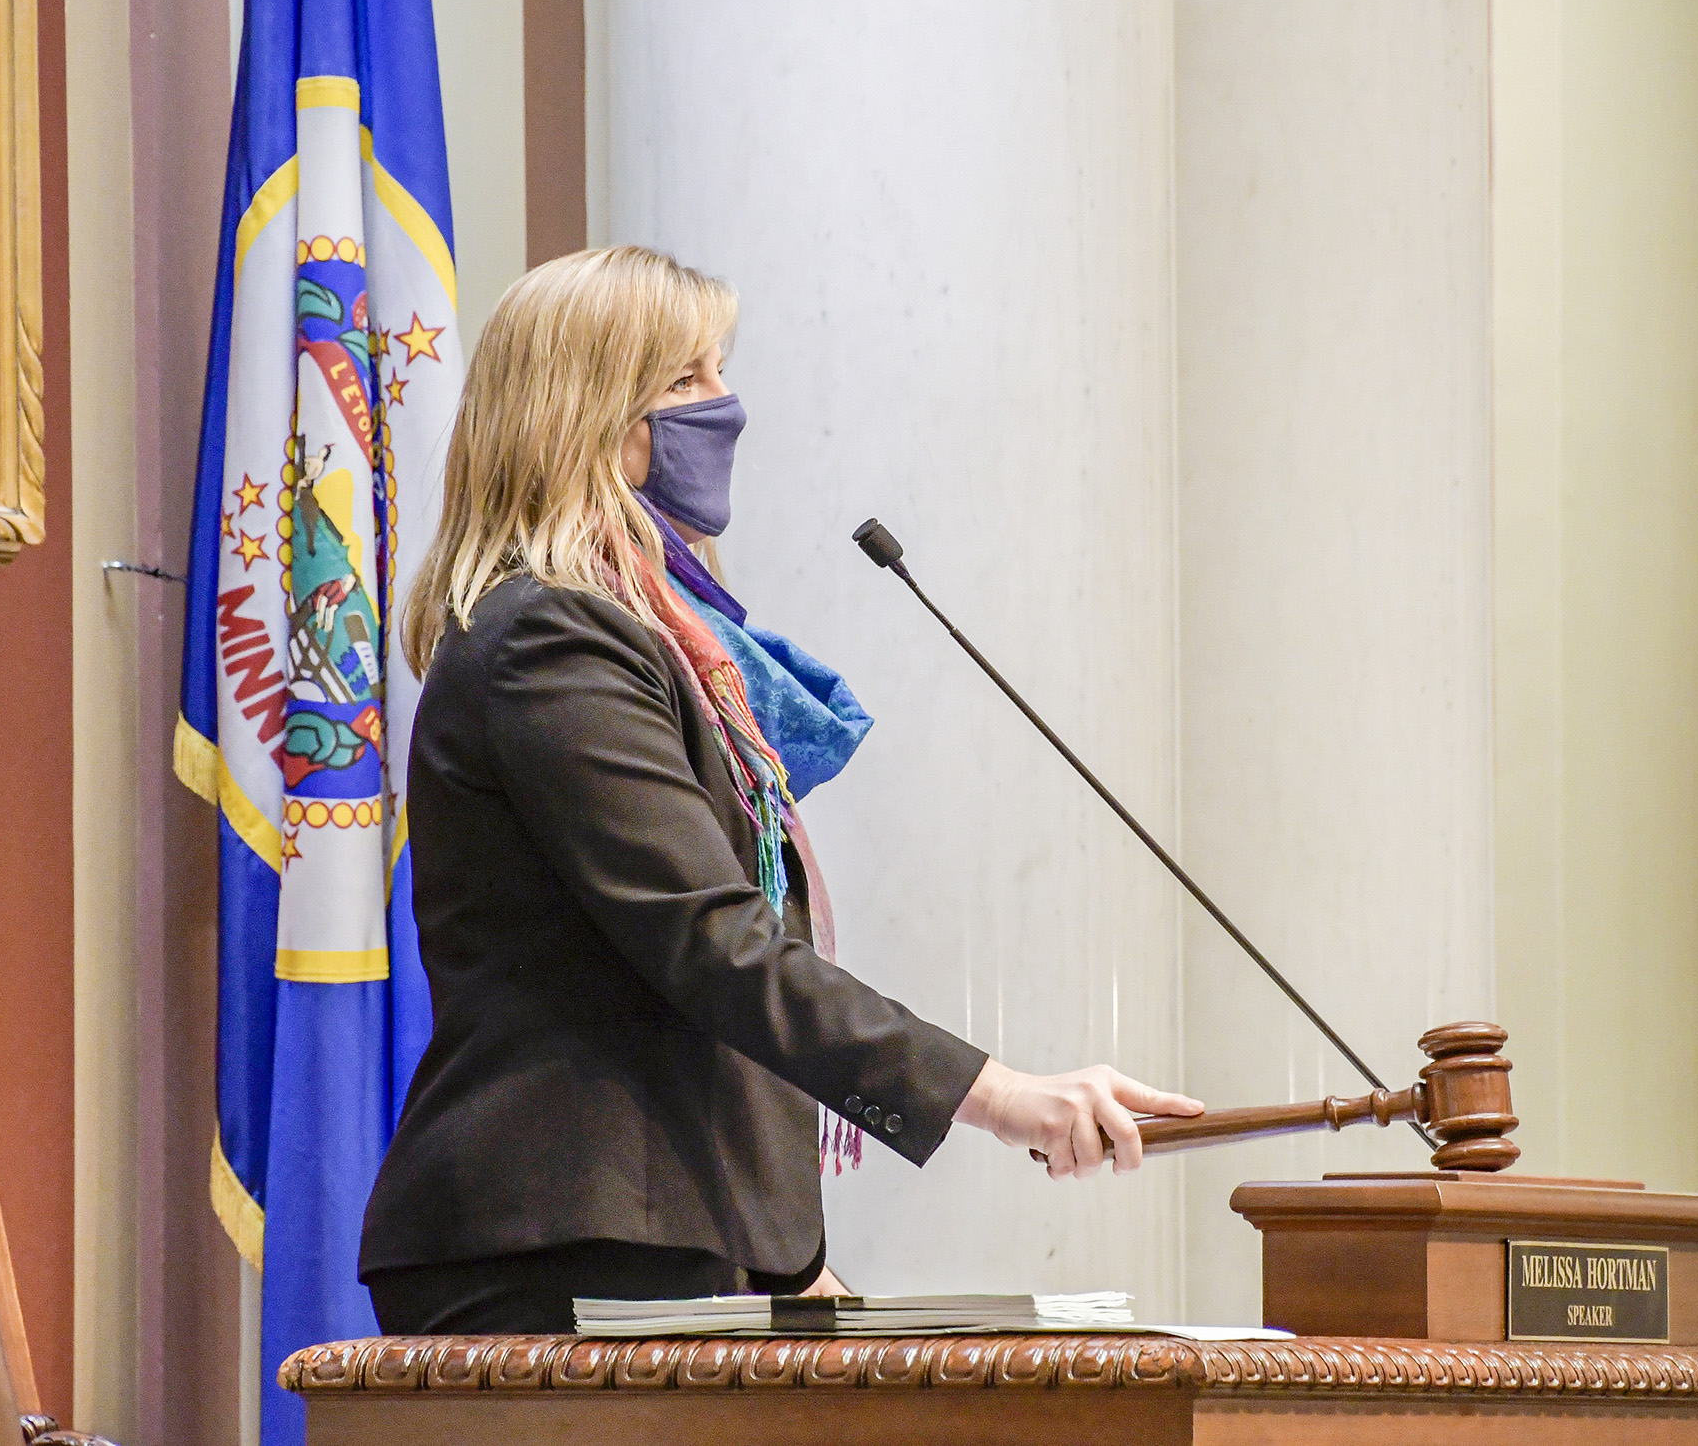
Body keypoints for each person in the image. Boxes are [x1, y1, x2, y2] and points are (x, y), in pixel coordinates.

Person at [358, 246, 1200, 1334]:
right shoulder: (548, 638)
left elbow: (708, 979)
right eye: (687, 381)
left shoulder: (658, 641)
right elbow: (712, 947)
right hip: (556, 1239)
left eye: (721, 370)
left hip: (673, 1237)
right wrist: (1000, 1097)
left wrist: (786, 1265)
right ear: (588, 416)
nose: (727, 406)